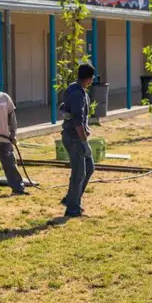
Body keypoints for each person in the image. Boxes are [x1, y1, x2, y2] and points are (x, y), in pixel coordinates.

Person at [60, 64, 96, 217]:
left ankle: (71, 199)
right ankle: (72, 208)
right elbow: (77, 122)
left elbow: (64, 106)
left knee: (89, 168)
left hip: (76, 135)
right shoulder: (77, 94)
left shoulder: (76, 89)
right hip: (74, 138)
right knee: (79, 172)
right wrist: (84, 143)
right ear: (89, 79)